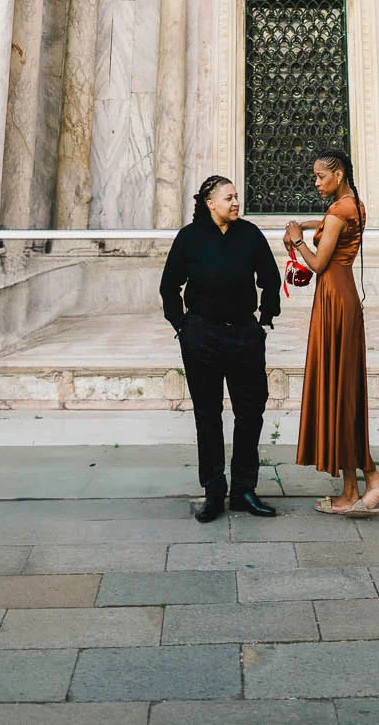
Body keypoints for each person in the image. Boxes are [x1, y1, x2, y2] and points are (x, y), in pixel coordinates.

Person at [160, 174, 282, 522]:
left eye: (237, 197)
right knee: (208, 415)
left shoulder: (250, 234)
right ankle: (214, 491)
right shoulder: (190, 237)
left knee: (250, 413)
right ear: (210, 203)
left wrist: (264, 320)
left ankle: (244, 490)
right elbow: (169, 285)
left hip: (244, 333)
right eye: (228, 198)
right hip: (202, 336)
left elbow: (269, 279)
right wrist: (181, 325)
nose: (235, 202)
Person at [285, 149, 379, 517]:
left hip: (334, 297)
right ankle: (350, 491)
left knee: (341, 390)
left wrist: (298, 240)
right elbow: (332, 224)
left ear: (339, 172)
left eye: (320, 176)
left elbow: (317, 264)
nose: (316, 182)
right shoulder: (354, 204)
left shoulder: (338, 211)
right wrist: (307, 228)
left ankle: (373, 480)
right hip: (343, 294)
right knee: (343, 391)